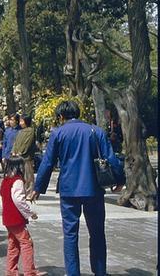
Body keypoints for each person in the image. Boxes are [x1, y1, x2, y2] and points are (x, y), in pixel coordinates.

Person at [29, 100, 125, 276]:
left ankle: (73, 273)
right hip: (94, 189)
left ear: (61, 116)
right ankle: (100, 271)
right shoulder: (96, 131)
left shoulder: (58, 133)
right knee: (97, 232)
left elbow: (48, 162)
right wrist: (119, 180)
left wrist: (38, 187)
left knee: (70, 234)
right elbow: (111, 158)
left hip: (69, 190)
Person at [1, 156, 41, 276]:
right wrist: (30, 213)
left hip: (7, 218)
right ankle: (30, 271)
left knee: (13, 244)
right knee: (27, 243)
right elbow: (18, 200)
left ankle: (11, 271)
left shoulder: (6, 180)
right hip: (16, 218)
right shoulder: (17, 181)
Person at [12, 115, 37, 193]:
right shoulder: (20, 131)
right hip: (17, 156)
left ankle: (29, 191)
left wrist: (21, 152)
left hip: (26, 157)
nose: (20, 123)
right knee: (19, 174)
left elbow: (27, 143)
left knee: (28, 175)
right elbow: (15, 143)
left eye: (22, 121)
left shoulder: (31, 131)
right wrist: (14, 151)